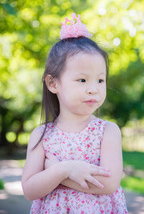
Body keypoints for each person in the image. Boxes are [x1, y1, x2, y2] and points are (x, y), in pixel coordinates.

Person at [22, 13, 128, 213]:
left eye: (100, 80)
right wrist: (64, 169)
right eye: (82, 80)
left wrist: (58, 177)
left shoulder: (107, 131)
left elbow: (109, 184)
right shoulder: (42, 135)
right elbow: (29, 189)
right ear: (53, 83)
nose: (93, 89)